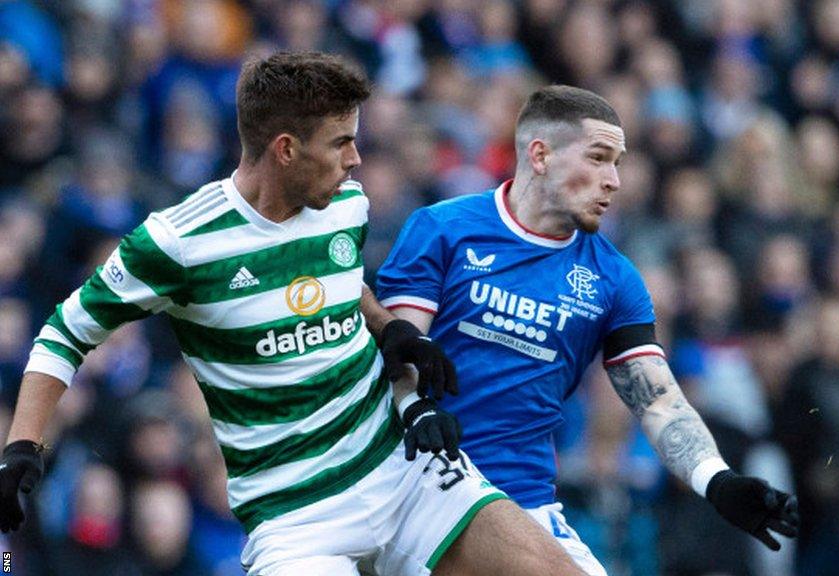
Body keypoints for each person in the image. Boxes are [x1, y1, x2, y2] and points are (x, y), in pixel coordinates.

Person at [0, 52, 587, 576]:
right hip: (293, 515)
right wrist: (22, 448)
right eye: (340, 143)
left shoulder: (344, 206)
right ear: (285, 149)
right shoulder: (178, 244)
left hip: (403, 471)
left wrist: (394, 330)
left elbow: (341, 287)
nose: (356, 161)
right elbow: (62, 335)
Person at [376, 85, 800, 574]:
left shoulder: (614, 278)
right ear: (540, 155)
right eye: (599, 158)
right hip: (417, 478)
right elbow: (400, 352)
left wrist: (717, 480)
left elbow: (656, 399)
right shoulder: (443, 229)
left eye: (618, 162)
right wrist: (419, 409)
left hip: (522, 499)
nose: (615, 180)